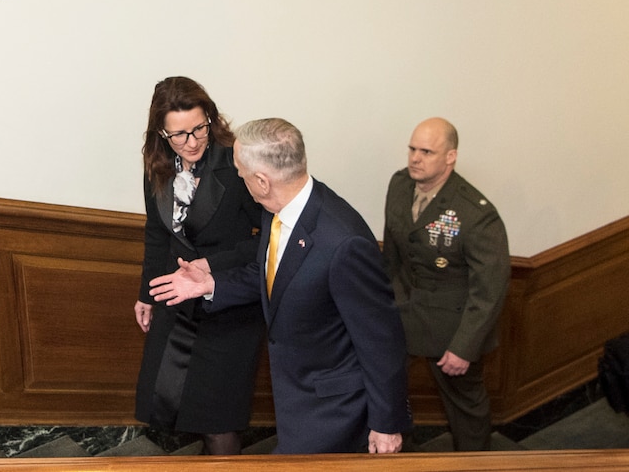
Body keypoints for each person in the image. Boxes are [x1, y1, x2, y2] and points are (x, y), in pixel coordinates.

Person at [149, 118, 411, 454]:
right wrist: (212, 284)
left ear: (261, 181)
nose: (239, 180)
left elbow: (382, 339)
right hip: (296, 397)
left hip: (335, 406)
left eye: (241, 174)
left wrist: (387, 425)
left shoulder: (344, 243)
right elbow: (271, 274)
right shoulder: (276, 211)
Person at [133, 77, 265, 455]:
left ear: (210, 117)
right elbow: (157, 234)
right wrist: (147, 294)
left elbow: (267, 239)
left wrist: (210, 266)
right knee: (175, 404)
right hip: (178, 301)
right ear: (161, 133)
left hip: (229, 302)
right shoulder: (156, 165)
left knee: (218, 419)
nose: (191, 142)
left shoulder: (237, 161)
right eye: (178, 135)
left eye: (199, 128)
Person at [382, 117, 510, 451]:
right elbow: (393, 257)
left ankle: (473, 462)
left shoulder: (475, 213)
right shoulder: (399, 185)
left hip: (450, 329)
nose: (415, 158)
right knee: (389, 396)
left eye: (426, 151)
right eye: (412, 148)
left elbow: (490, 289)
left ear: (450, 157)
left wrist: (464, 347)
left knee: (466, 408)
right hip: (403, 315)